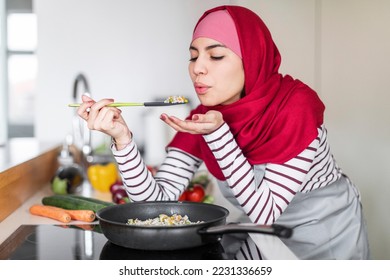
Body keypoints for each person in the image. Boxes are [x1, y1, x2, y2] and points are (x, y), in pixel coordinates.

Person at [77, 5, 370, 259]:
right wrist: (122, 139)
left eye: (216, 56)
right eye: (193, 57)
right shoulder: (203, 118)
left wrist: (218, 135)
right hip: (261, 234)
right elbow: (153, 206)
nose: (197, 69)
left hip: (324, 233)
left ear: (252, 59)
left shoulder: (294, 106)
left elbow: (263, 212)